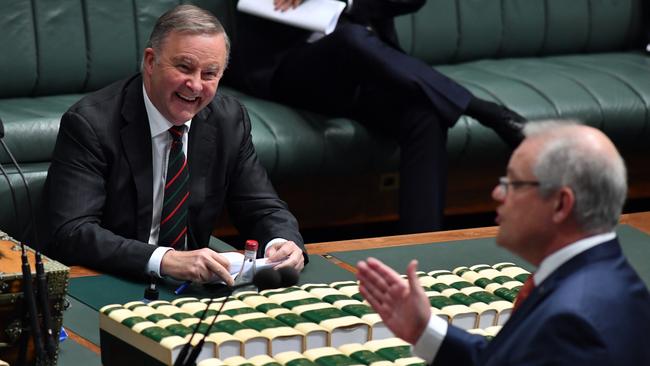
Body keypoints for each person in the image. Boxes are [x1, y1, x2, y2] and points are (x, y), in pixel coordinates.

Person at [39, 5, 306, 285]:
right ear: (151, 62)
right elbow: (72, 232)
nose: (195, 85)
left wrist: (282, 241)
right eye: (184, 67)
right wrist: (164, 260)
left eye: (209, 74)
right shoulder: (91, 123)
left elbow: (263, 207)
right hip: (110, 279)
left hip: (190, 288)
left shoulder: (228, 120)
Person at [357, 121, 650, 365]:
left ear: (561, 204)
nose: (498, 193)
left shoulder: (571, 322)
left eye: (513, 183)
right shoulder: (615, 281)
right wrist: (424, 329)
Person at [224, 0, 526, 234]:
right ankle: (483, 110)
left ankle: (421, 253)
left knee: (424, 116)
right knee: (350, 38)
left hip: (366, 74)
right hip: (289, 68)